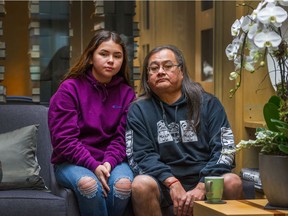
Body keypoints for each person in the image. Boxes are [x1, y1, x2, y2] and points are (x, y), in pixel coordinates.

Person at [125, 45, 242, 216]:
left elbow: (225, 149)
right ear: (147, 77)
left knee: (232, 181)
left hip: (205, 179)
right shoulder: (139, 109)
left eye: (167, 66)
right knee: (141, 184)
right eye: (154, 68)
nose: (160, 71)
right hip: (163, 182)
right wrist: (172, 183)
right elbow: (141, 155)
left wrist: (202, 186)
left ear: (181, 71)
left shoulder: (208, 103)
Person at [48, 30, 136, 216]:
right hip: (71, 161)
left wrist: (108, 164)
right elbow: (64, 140)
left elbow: (123, 138)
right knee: (89, 185)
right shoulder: (69, 89)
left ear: (123, 61)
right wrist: (93, 166)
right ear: (90, 58)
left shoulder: (127, 93)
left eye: (117, 56)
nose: (111, 60)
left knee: (122, 186)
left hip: (113, 161)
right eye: (104, 54)